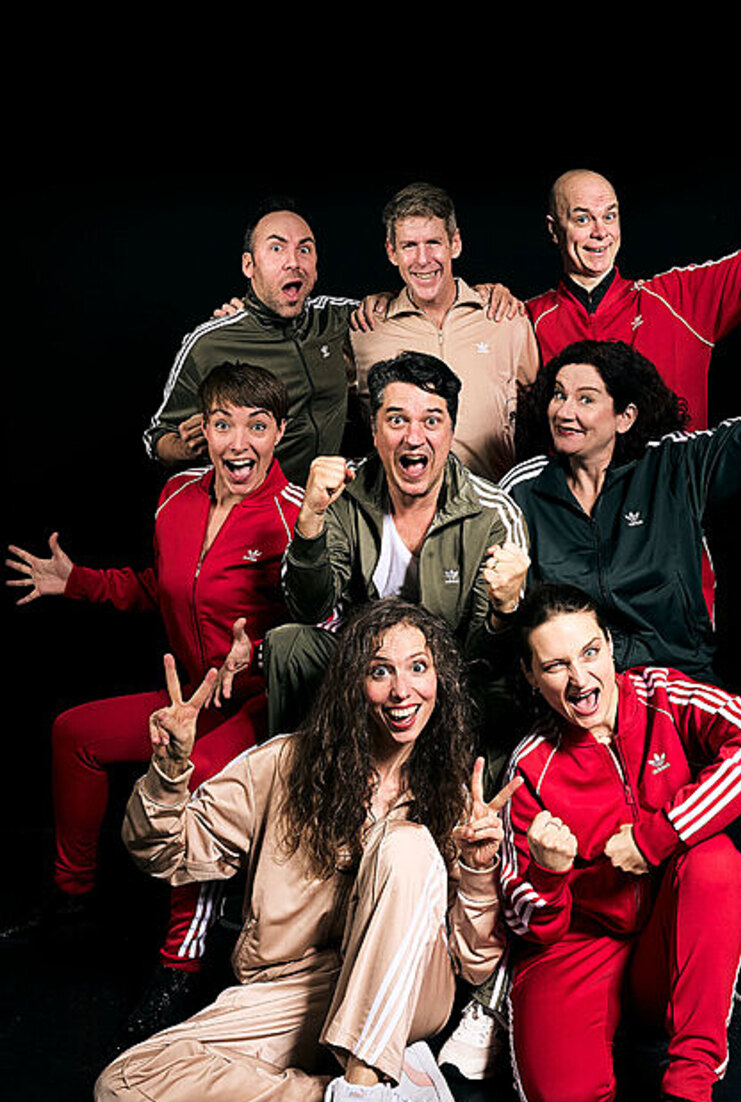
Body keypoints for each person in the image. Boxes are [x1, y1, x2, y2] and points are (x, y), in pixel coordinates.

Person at [499, 292, 741, 1008]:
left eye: (586, 398)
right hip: (578, 695)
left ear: (625, 416)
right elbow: (497, 597)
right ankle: (520, 972)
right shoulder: (522, 493)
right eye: (557, 395)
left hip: (676, 684)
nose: (564, 410)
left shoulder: (675, 466)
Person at [94, 599, 517, 1102]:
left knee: (406, 847)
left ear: (440, 681)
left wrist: (480, 872)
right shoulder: (285, 764)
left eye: (419, 667)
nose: (402, 690)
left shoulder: (455, 796)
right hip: (292, 993)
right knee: (122, 1094)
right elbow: (166, 851)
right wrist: (170, 769)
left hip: (410, 992)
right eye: (380, 670)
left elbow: (474, 963)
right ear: (353, 683)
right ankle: (366, 1094)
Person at [5, 363, 302, 1041]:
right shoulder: (176, 496)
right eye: (224, 424)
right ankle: (72, 900)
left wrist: (256, 654)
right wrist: (78, 582)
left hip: (260, 707)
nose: (239, 443)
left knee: (192, 785)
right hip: (188, 701)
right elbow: (158, 587)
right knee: (73, 734)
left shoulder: (294, 517)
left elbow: (325, 626)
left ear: (279, 433)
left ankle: (180, 963)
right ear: (205, 430)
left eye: (257, 426)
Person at [497, 582, 741, 1102]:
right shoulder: (530, 768)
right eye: (555, 665)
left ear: (611, 646)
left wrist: (659, 836)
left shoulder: (663, 696)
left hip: (667, 934)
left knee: (714, 865)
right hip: (582, 942)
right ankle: (544, 1020)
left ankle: (689, 1100)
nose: (581, 679)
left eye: (590, 652)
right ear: (529, 675)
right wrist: (550, 874)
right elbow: (525, 921)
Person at [264, 349, 529, 747]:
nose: (413, 437)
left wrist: (503, 610)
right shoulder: (342, 492)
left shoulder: (493, 515)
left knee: (503, 692)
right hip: (366, 672)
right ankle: (297, 774)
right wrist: (310, 520)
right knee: (290, 644)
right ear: (374, 430)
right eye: (397, 420)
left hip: (452, 681)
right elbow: (309, 609)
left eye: (431, 421)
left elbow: (487, 660)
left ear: (451, 432)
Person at [529, 103, 741, 431]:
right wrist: (487, 297)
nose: (600, 232)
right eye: (583, 219)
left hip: (678, 465)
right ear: (554, 229)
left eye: (609, 216)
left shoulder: (680, 299)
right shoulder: (527, 321)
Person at [143, 199, 354, 487]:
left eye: (304, 250)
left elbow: (404, 306)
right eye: (277, 248)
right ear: (248, 265)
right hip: (251, 507)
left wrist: (382, 301)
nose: (293, 262)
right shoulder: (209, 343)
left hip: (326, 501)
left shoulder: (336, 319)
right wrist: (184, 446)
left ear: (316, 267)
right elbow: (156, 439)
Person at [349, 183, 540, 481]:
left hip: (491, 498)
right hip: (400, 500)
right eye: (409, 246)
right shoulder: (365, 331)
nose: (423, 259)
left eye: (433, 243)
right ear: (392, 252)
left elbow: (537, 415)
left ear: (455, 244)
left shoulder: (506, 320)